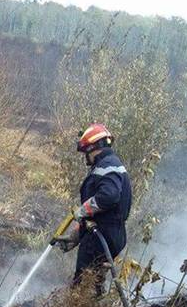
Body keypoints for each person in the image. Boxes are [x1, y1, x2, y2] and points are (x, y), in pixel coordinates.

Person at [51, 123, 133, 287]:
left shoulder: (107, 166)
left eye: (85, 152)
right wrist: (77, 234)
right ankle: (92, 302)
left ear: (93, 148)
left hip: (102, 235)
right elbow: (101, 214)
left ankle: (79, 303)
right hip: (108, 233)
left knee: (83, 284)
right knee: (93, 280)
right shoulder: (110, 164)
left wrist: (83, 210)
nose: (85, 157)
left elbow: (109, 197)